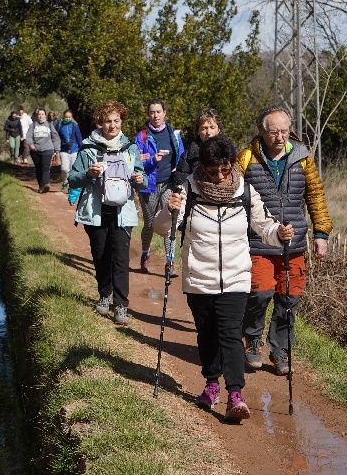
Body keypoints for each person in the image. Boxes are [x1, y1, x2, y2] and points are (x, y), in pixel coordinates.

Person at [168, 135, 294, 421]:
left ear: (232, 164)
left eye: (225, 168)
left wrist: (280, 234)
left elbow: (265, 226)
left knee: (229, 333)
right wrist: (170, 208)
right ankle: (211, 385)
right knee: (207, 334)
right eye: (213, 171)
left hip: (236, 277)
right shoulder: (188, 189)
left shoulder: (245, 191)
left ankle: (235, 394)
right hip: (199, 277)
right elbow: (166, 227)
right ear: (203, 168)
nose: (221, 176)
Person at [238, 106, 333, 375]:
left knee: (288, 298)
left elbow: (315, 195)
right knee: (259, 293)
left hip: (294, 243)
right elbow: (234, 195)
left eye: (284, 131)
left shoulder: (303, 158)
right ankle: (252, 340)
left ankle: (280, 351)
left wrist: (321, 233)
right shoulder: (245, 158)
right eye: (274, 132)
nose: (280, 137)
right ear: (261, 131)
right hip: (258, 241)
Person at [68, 101, 146, 325]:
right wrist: (88, 173)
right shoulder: (88, 148)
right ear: (100, 123)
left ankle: (121, 305)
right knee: (101, 256)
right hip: (95, 212)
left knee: (121, 259)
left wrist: (141, 179)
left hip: (123, 212)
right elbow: (72, 179)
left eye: (116, 121)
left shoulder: (130, 148)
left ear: (121, 122)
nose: (112, 125)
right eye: (108, 121)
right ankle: (105, 294)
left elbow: (142, 178)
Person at [134, 99, 185, 276]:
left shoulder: (174, 134)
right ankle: (145, 254)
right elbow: (135, 160)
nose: (155, 115)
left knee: (170, 223)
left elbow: (181, 157)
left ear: (165, 113)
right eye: (152, 112)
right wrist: (151, 160)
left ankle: (170, 261)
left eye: (158, 112)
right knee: (149, 223)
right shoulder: (142, 136)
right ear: (149, 115)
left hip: (168, 184)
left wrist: (177, 168)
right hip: (148, 185)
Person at [171, 107, 224, 187]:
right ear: (198, 131)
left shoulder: (228, 152)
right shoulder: (188, 156)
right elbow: (180, 182)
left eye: (212, 127)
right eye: (204, 128)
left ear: (218, 129)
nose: (208, 132)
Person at [26, 108, 61, 193]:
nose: (41, 116)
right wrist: (31, 144)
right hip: (35, 150)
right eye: (39, 114)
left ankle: (46, 184)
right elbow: (28, 136)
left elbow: (55, 137)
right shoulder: (33, 125)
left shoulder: (49, 125)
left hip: (48, 149)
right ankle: (41, 186)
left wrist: (57, 150)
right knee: (39, 168)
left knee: (45, 168)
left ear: (45, 115)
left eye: (42, 114)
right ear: (36, 116)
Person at [56, 110, 83, 193]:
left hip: (74, 150)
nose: (68, 118)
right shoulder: (59, 125)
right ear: (63, 117)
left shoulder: (75, 125)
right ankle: (64, 183)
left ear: (72, 117)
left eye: (69, 117)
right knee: (64, 168)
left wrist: (82, 148)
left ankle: (72, 186)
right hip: (63, 150)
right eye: (66, 117)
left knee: (73, 169)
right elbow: (56, 137)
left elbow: (79, 137)